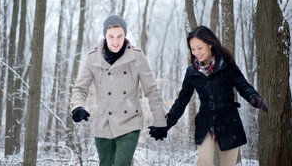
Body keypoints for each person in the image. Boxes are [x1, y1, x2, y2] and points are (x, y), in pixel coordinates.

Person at [148, 25, 268, 166]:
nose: (196, 53)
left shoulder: (226, 64)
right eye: (193, 49)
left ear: (210, 44)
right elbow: (182, 101)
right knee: (203, 161)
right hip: (206, 122)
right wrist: (165, 124)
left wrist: (253, 97)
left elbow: (243, 85)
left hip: (229, 121)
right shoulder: (192, 72)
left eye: (200, 48)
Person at [70, 14, 167, 166]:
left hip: (130, 122)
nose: (115, 41)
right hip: (102, 123)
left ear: (125, 35)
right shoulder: (92, 58)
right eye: (111, 36)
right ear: (105, 35)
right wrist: (77, 107)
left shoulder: (137, 57)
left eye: (119, 36)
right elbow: (80, 88)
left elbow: (151, 90)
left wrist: (160, 121)